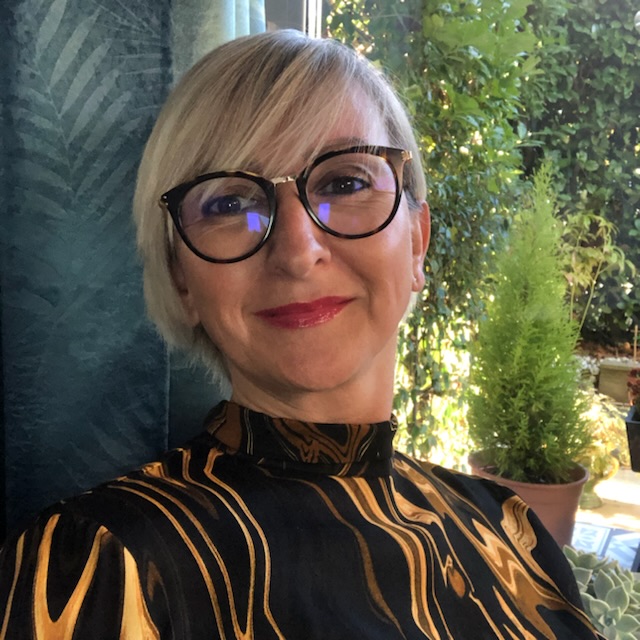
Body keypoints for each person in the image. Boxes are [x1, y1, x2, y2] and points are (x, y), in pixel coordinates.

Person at [0, 30, 601, 639]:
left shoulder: (512, 533)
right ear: (182, 278)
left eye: (345, 183)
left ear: (417, 242)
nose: (296, 250)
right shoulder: (100, 564)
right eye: (230, 203)